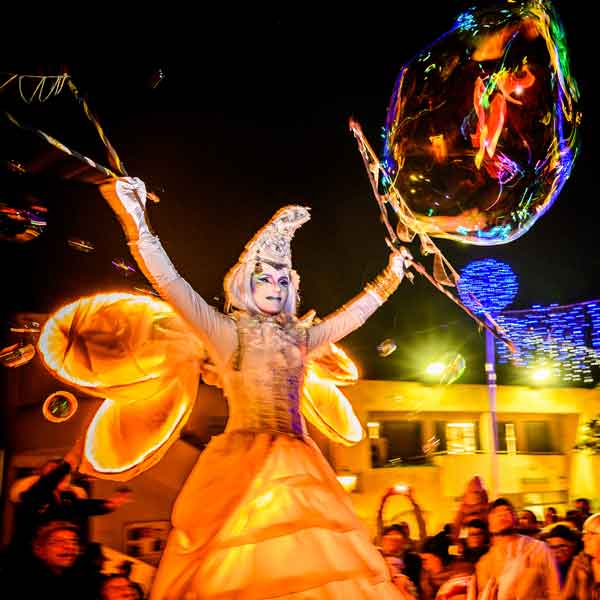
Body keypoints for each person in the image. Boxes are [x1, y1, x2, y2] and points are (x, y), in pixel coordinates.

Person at [99, 177, 411, 599]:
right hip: (244, 464)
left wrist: (391, 277)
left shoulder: (299, 338)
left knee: (307, 567)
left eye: (283, 281)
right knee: (240, 569)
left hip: (302, 462)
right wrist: (137, 220)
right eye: (266, 279)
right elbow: (171, 284)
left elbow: (349, 318)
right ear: (247, 281)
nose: (275, 288)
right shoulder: (229, 334)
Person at [469, 497, 560, 599]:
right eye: (495, 512)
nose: (502, 514)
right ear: (489, 525)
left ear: (515, 519)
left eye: (507, 510)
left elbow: (555, 592)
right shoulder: (484, 563)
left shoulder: (538, 548)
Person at [561, 512, 600, 599]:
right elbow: (566, 597)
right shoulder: (580, 563)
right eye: (584, 534)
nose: (584, 539)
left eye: (591, 534)